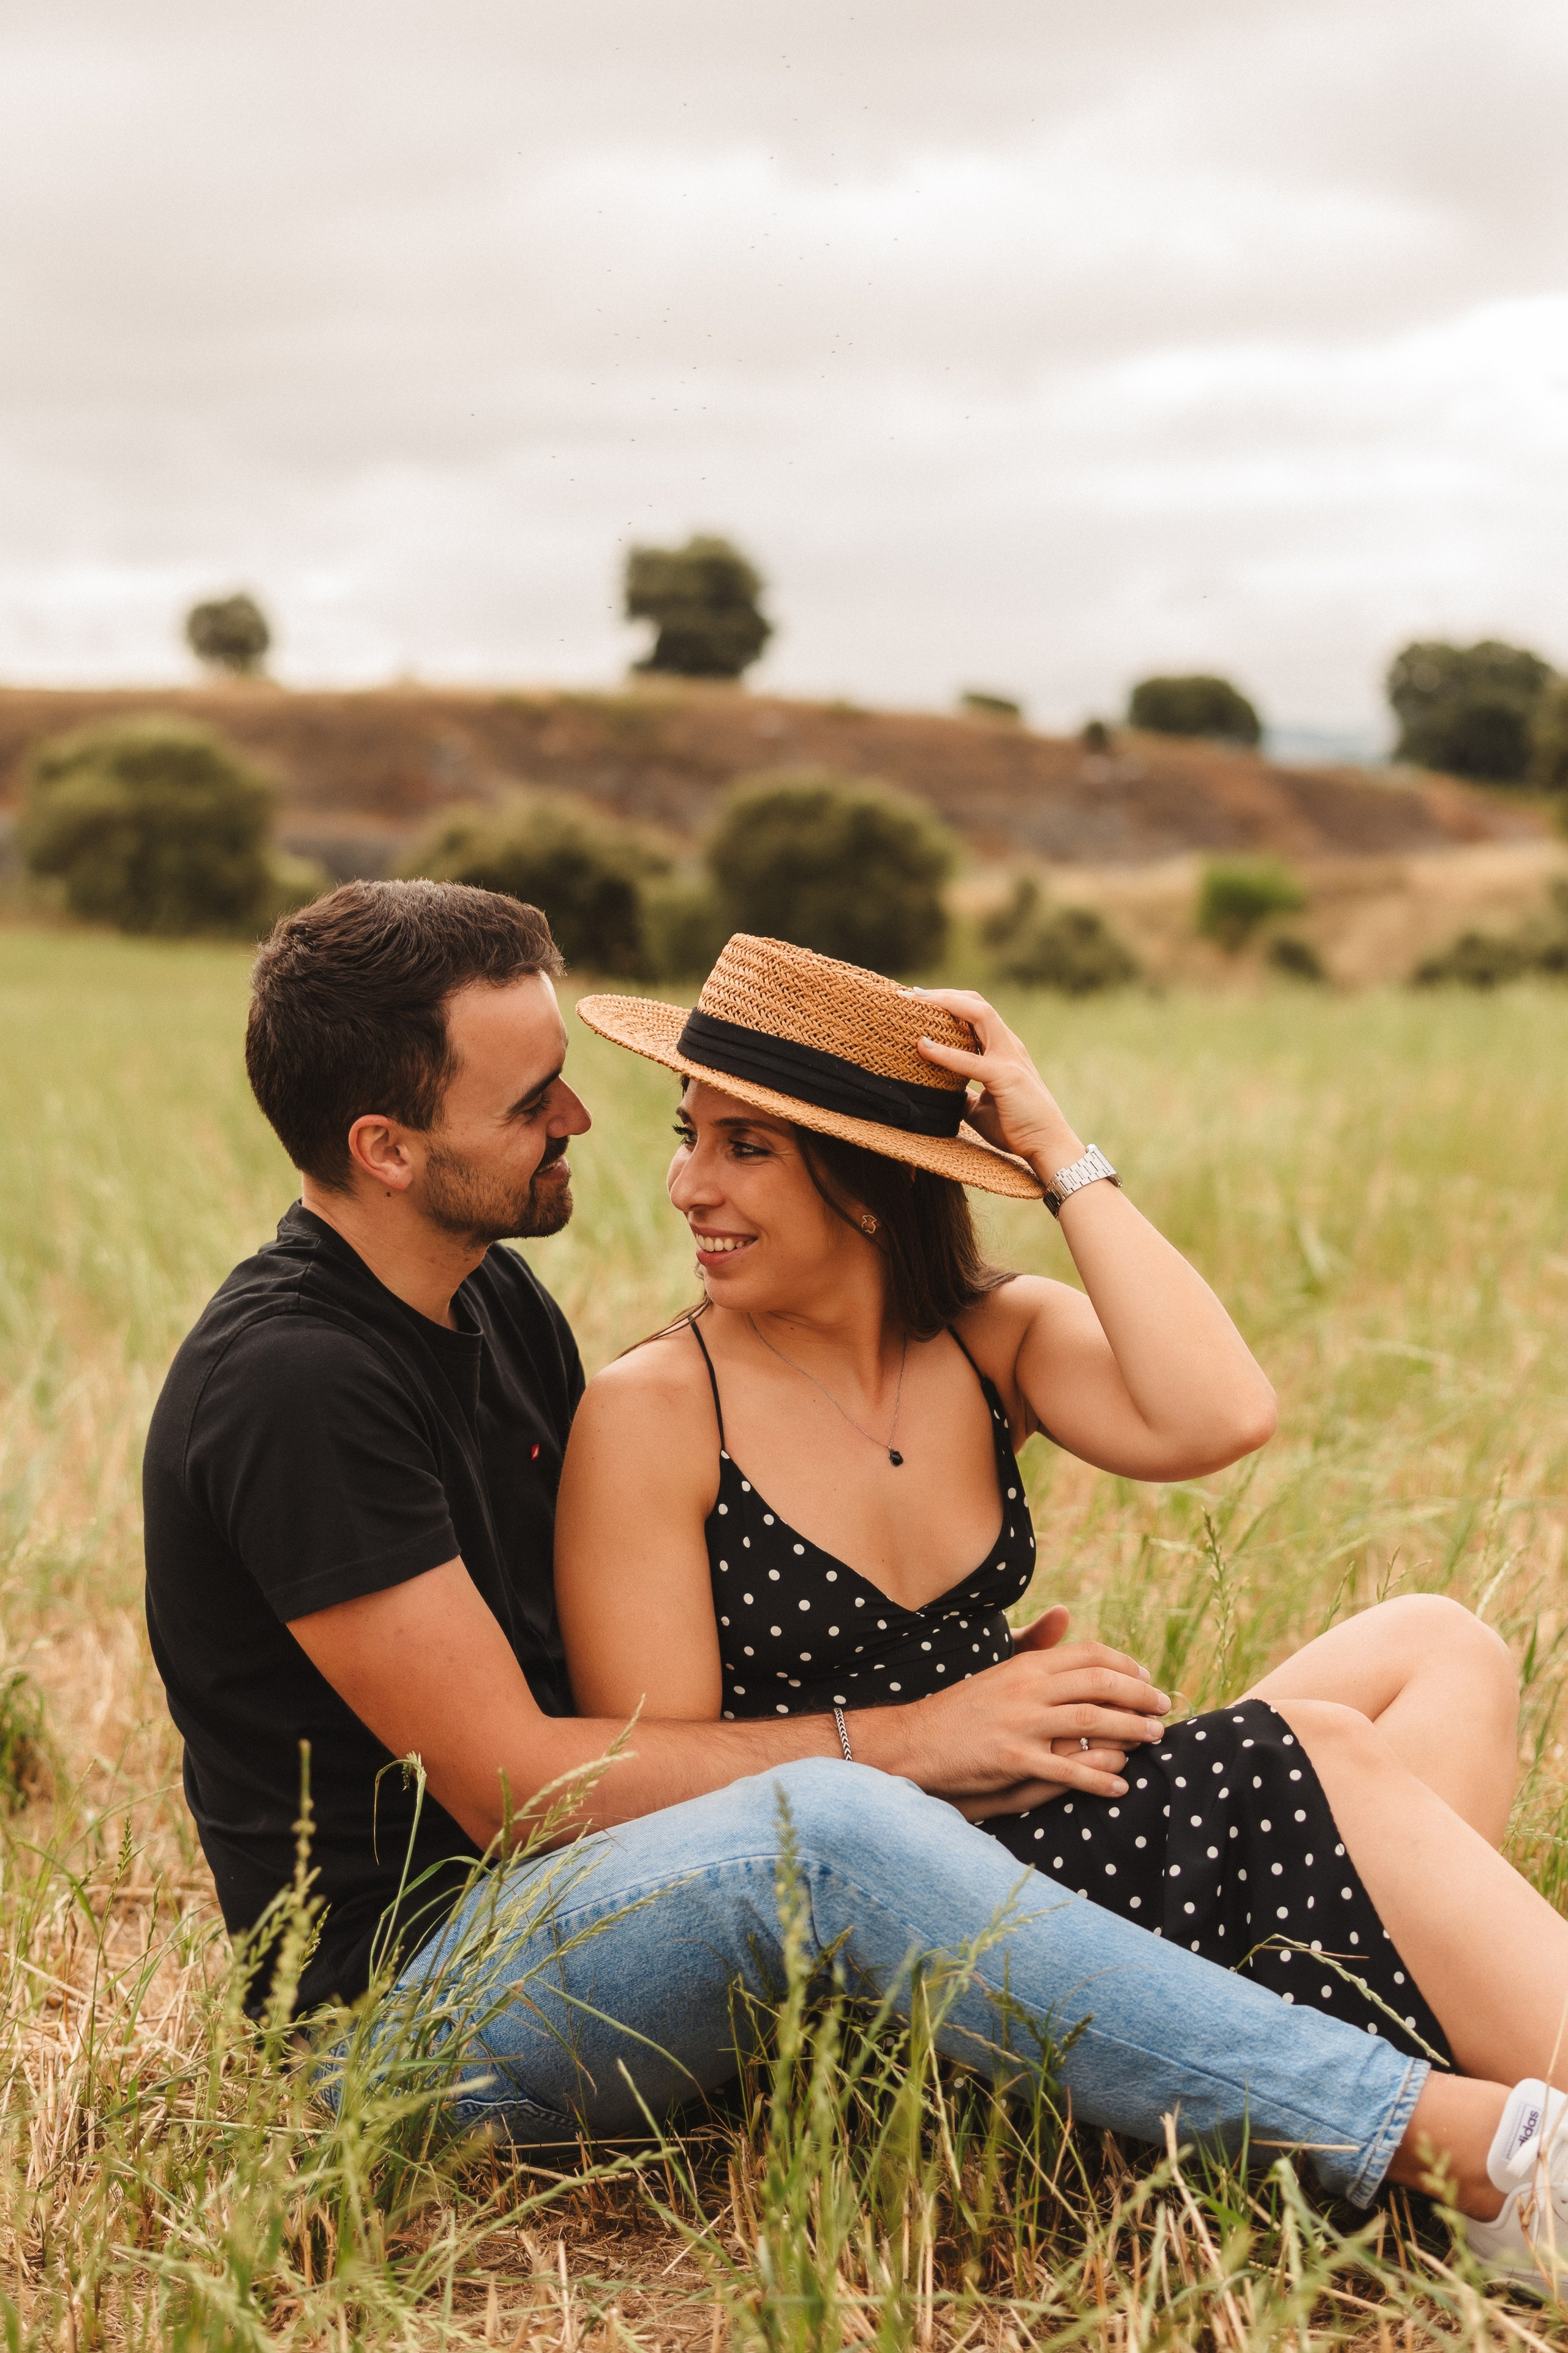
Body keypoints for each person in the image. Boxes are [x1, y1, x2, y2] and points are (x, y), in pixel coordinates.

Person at [140, 881, 1566, 2291]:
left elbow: (1215, 1412)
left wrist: (1052, 1146)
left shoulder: (488, 1301)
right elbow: (521, 1798)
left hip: (747, 1881)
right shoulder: (295, 1381)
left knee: (1407, 1663)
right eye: (532, 1103)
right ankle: (1463, 2147)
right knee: (840, 1822)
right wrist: (925, 1734)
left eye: (583, 1091)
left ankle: (1272, 2097)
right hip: (416, 1999)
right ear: (385, 1148)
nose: (588, 1127)